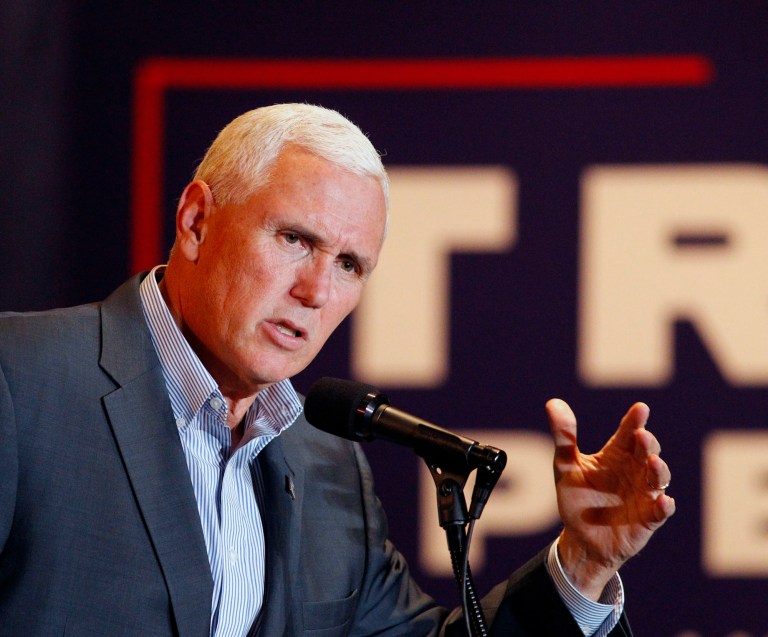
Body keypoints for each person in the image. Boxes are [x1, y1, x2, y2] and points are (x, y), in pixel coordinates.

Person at [0, 103, 674, 636]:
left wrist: (584, 561)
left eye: (350, 265)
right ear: (197, 219)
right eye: (296, 239)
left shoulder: (328, 465)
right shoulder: (21, 381)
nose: (318, 290)